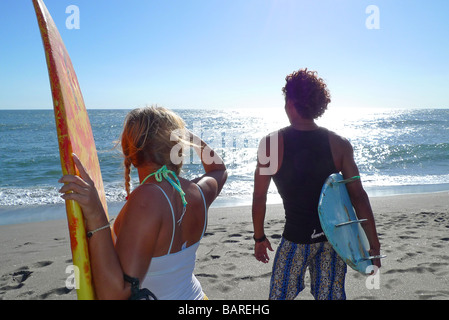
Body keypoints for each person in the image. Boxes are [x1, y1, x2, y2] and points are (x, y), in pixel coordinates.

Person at [59, 106, 227, 300]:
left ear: (129, 152)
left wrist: (97, 216)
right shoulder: (197, 192)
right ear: (177, 148)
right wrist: (192, 139)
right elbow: (219, 170)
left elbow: (115, 295)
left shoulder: (147, 199)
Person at [251, 68, 381, 300]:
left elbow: (259, 196)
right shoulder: (340, 144)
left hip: (295, 240)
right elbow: (358, 196)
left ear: (290, 103)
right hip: (333, 240)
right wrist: (374, 244)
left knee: (279, 296)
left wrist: (259, 238)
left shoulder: (271, 144)